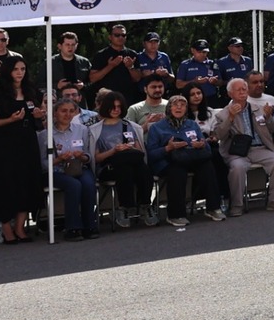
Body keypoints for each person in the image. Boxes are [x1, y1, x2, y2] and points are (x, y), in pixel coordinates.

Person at [0, 55, 44, 244]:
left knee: (27, 184)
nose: (20, 73)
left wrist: (39, 114)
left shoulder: (32, 91)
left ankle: (20, 228)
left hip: (27, 143)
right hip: (4, 145)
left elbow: (39, 117)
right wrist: (10, 120)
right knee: (6, 186)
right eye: (16, 69)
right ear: (8, 71)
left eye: (23, 69)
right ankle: (7, 229)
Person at [211, 77, 274, 218]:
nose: (242, 92)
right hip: (236, 152)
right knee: (237, 168)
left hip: (259, 148)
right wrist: (231, 118)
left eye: (244, 89)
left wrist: (269, 117)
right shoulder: (223, 114)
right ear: (230, 94)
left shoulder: (257, 109)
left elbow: (273, 128)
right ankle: (236, 205)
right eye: (238, 90)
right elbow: (219, 135)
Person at [145, 94, 223, 228]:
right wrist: (167, 148)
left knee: (207, 165)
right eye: (175, 105)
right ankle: (175, 214)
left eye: (182, 105)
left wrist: (202, 144)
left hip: (191, 157)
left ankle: (213, 207)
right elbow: (151, 155)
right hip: (168, 161)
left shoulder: (191, 124)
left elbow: (207, 148)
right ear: (169, 108)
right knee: (177, 170)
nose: (179, 107)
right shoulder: (157, 127)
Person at [89, 89, 152, 228]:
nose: (116, 110)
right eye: (113, 107)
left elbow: (140, 151)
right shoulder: (95, 130)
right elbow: (96, 158)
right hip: (109, 166)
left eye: (119, 107)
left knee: (140, 167)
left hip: (131, 161)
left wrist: (128, 148)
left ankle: (143, 204)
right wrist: (114, 150)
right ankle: (128, 206)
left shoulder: (129, 125)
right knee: (125, 168)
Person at [44, 97, 100, 240]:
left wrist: (82, 156)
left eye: (71, 111)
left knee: (88, 183)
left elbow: (89, 155)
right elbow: (42, 163)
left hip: (78, 167)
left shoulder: (81, 130)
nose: (67, 114)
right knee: (73, 185)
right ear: (55, 112)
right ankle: (73, 228)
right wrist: (59, 159)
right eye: (63, 111)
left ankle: (90, 225)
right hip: (57, 171)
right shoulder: (45, 134)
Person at [133, 31, 174, 98]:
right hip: (142, 95)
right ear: (144, 43)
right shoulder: (138, 57)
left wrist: (166, 74)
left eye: (156, 42)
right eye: (150, 42)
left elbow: (172, 78)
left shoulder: (164, 57)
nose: (153, 44)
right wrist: (142, 74)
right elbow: (133, 79)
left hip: (162, 94)